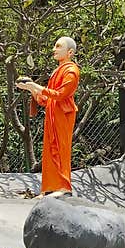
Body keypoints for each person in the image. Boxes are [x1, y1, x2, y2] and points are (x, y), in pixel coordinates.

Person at [17, 37, 80, 198]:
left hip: (63, 116)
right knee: (49, 152)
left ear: (70, 52)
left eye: (58, 46)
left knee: (61, 149)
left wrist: (37, 87)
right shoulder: (57, 71)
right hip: (52, 114)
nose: (54, 49)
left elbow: (60, 95)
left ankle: (64, 186)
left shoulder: (71, 71)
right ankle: (49, 188)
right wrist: (31, 89)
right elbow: (46, 99)